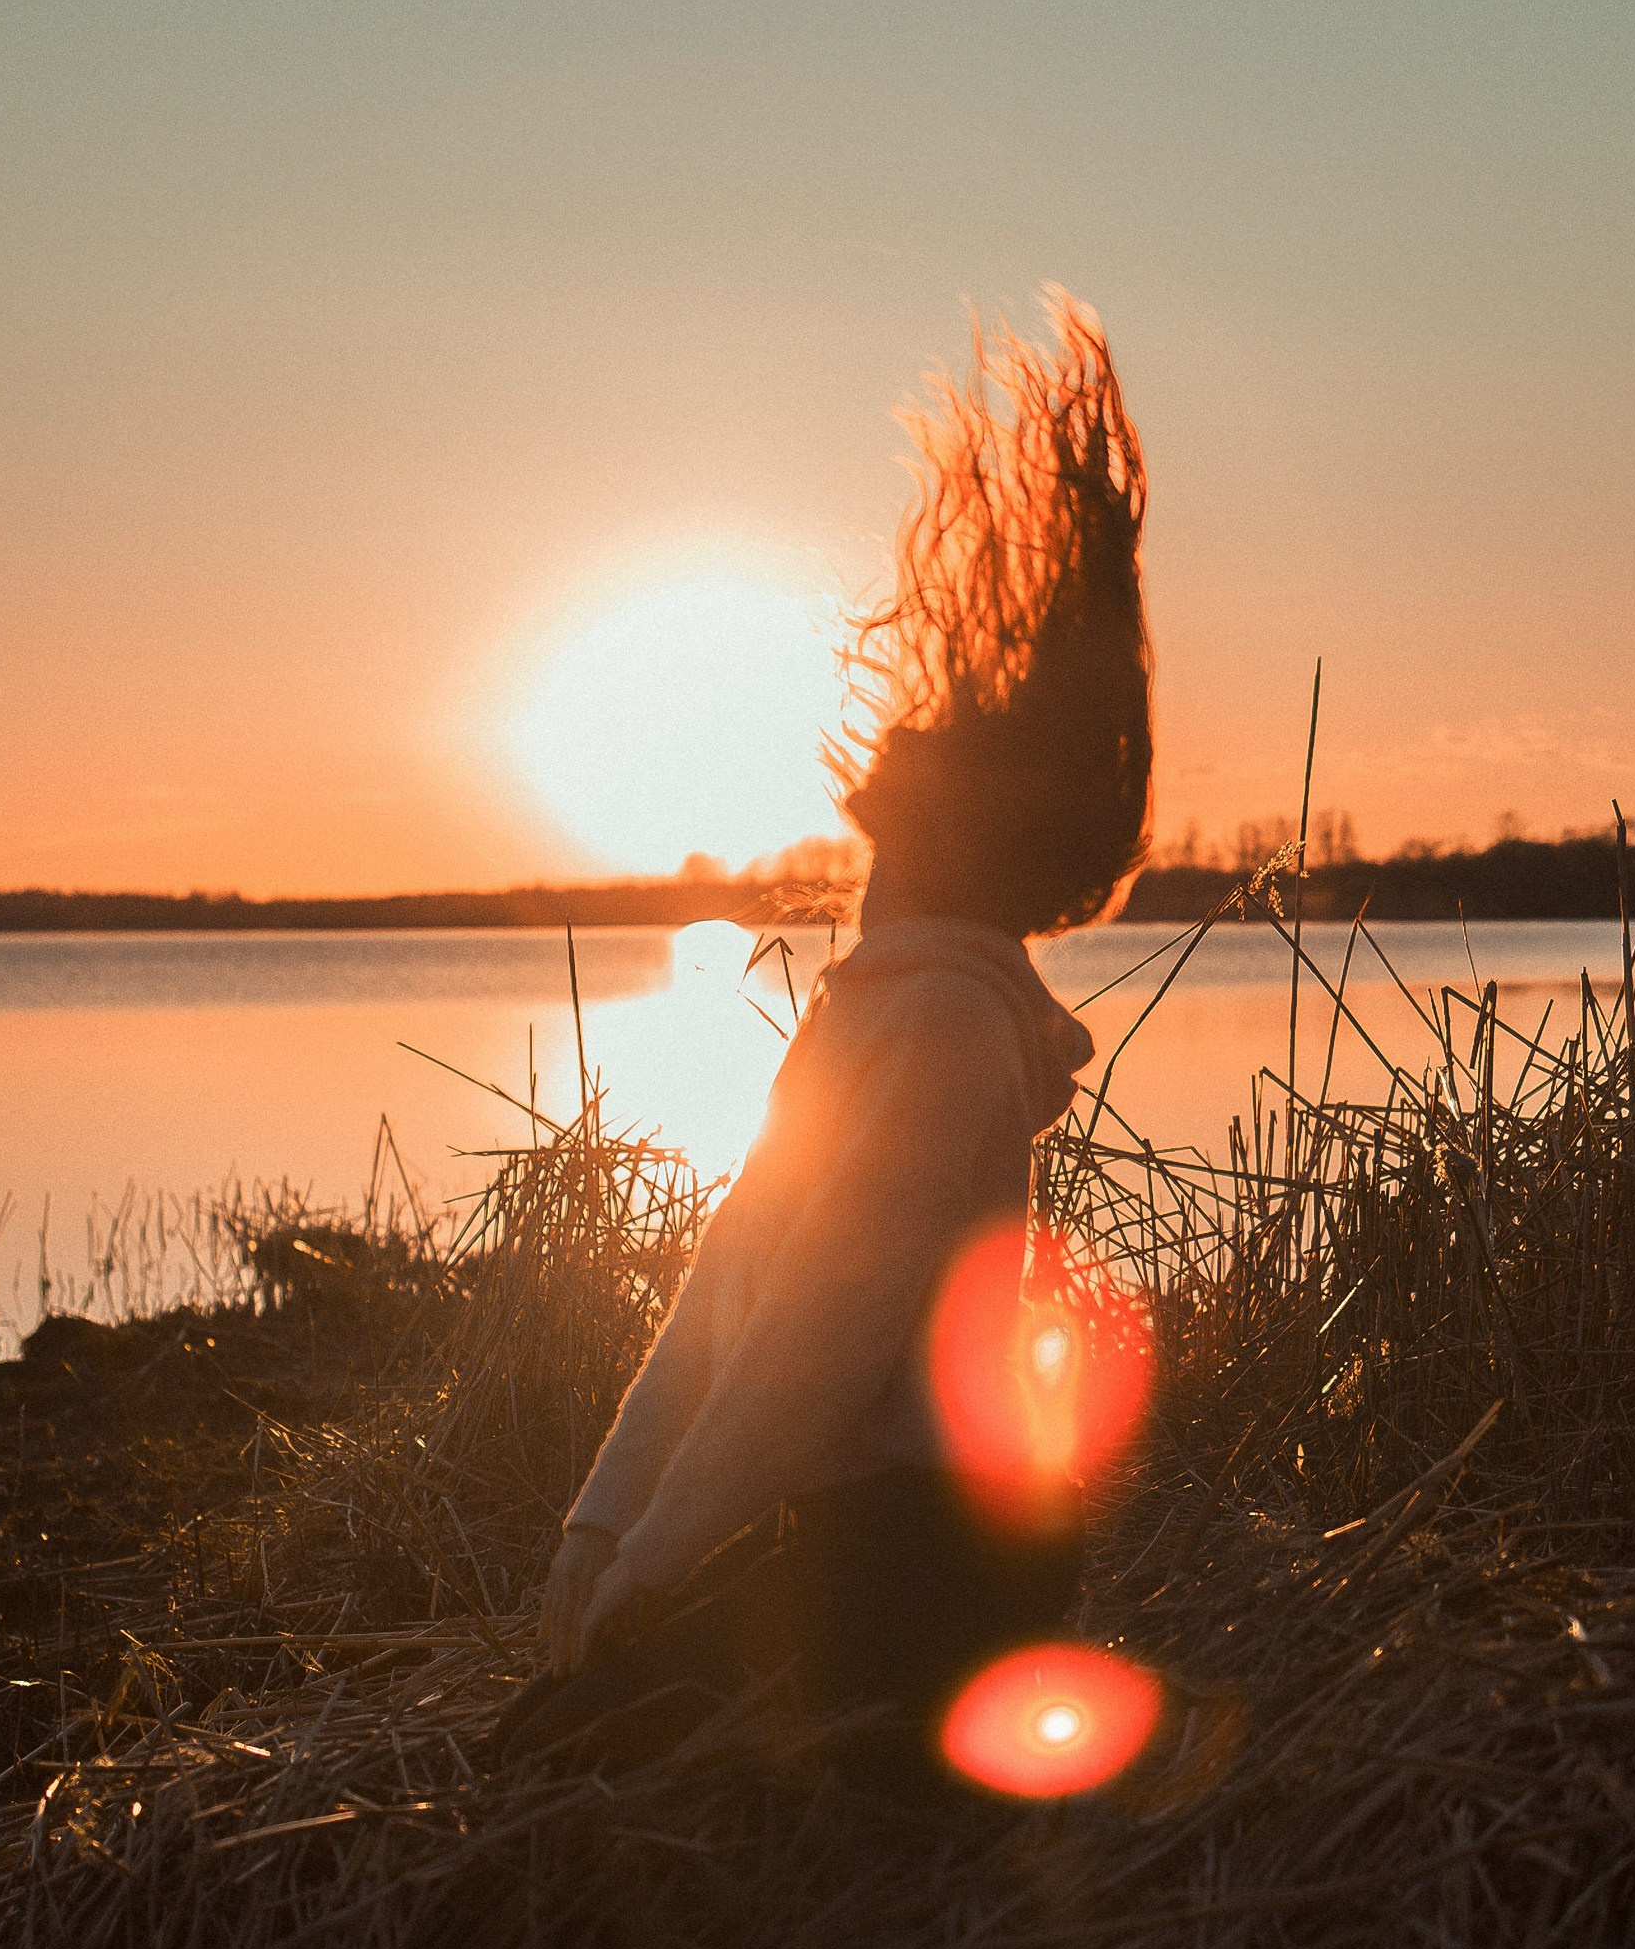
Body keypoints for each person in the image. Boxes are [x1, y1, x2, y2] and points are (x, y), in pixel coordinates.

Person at [494, 294, 1152, 1780]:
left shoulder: (934, 1026)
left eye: (890, 804)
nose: (862, 817)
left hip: (924, 1556)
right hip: (852, 1531)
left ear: (933, 833)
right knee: (558, 1737)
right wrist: (602, 1530)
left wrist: (655, 1565)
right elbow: (734, 1278)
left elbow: (819, 1338)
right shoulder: (888, 1010)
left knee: (574, 1766)